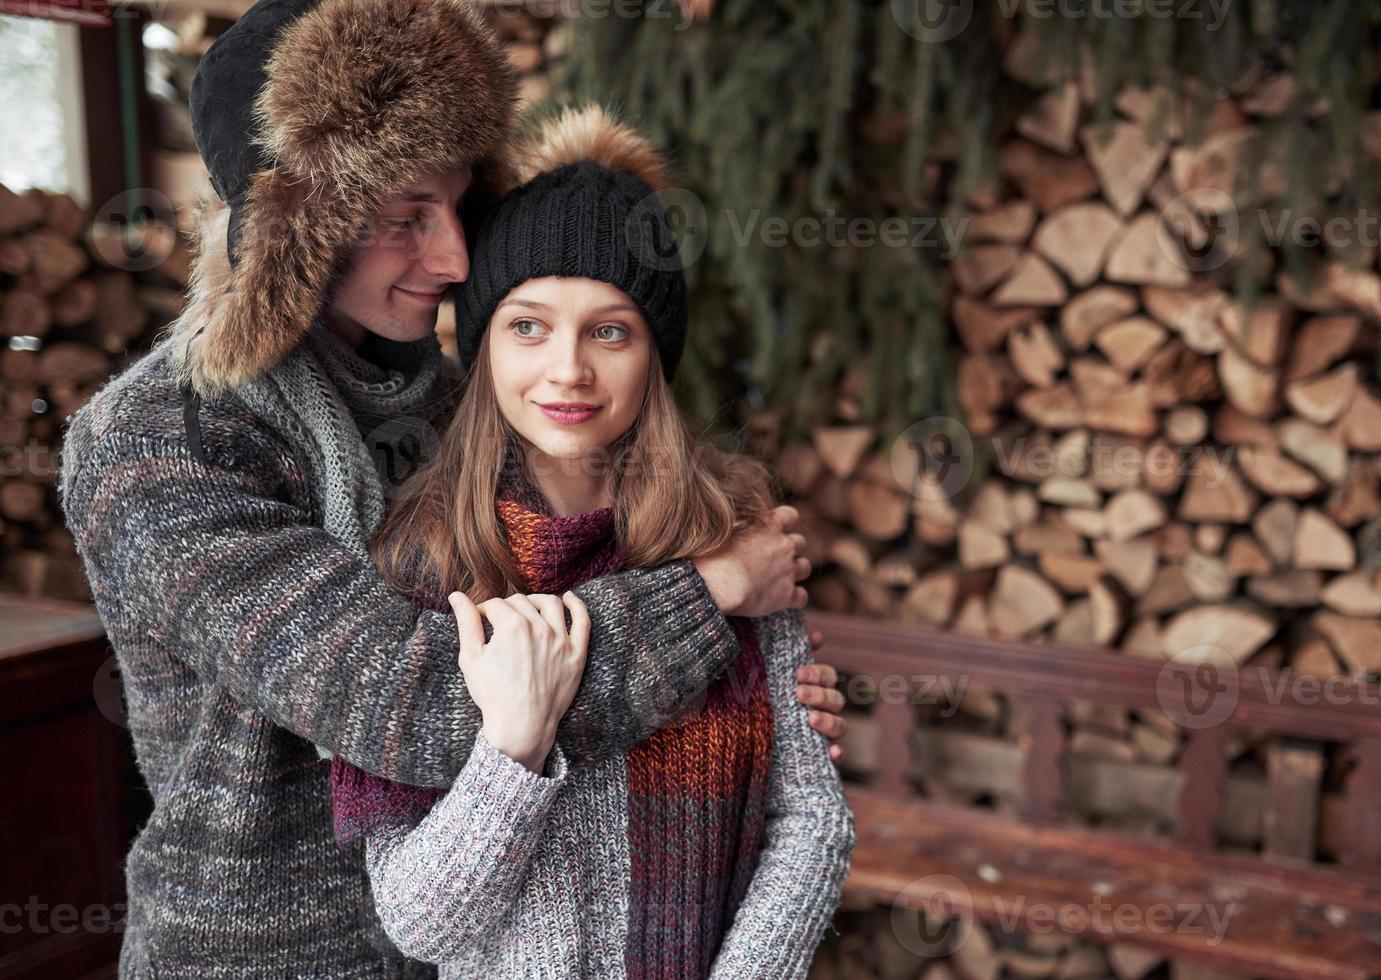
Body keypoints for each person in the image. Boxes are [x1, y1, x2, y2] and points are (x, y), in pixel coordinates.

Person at [57, 1, 846, 976]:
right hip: (266, 953)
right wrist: (712, 596)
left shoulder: (452, 403)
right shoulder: (158, 443)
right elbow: (428, 699)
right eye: (403, 219)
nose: (455, 258)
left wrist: (750, 702)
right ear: (293, 229)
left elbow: (580, 604)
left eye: (457, 205)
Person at [331, 103, 855, 980]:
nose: (567, 368)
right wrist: (514, 750)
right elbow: (415, 920)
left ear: (655, 352)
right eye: (527, 325)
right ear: (484, 344)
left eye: (609, 330)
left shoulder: (734, 532)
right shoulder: (423, 562)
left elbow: (813, 819)